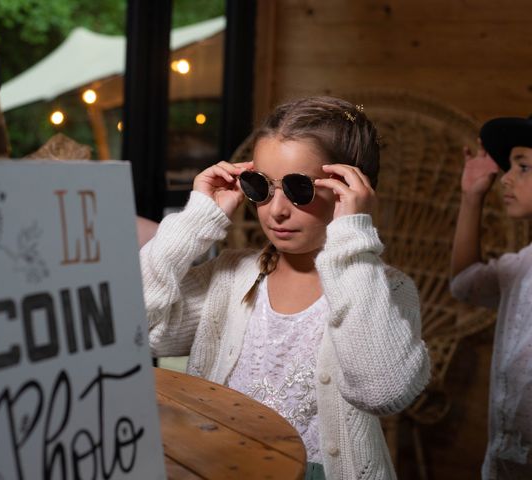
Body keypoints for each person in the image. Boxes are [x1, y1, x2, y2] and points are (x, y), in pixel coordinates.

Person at [141, 96, 430, 479]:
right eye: (260, 186)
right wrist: (195, 220)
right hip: (217, 466)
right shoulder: (229, 275)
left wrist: (351, 236)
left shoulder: (385, 289)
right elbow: (140, 331)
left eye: (298, 188)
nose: (276, 210)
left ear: (349, 190)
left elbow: (382, 392)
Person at [450, 114, 532, 480]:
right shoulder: (520, 265)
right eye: (510, 166)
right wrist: (471, 198)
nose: (507, 178)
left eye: (524, 167)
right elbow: (465, 283)